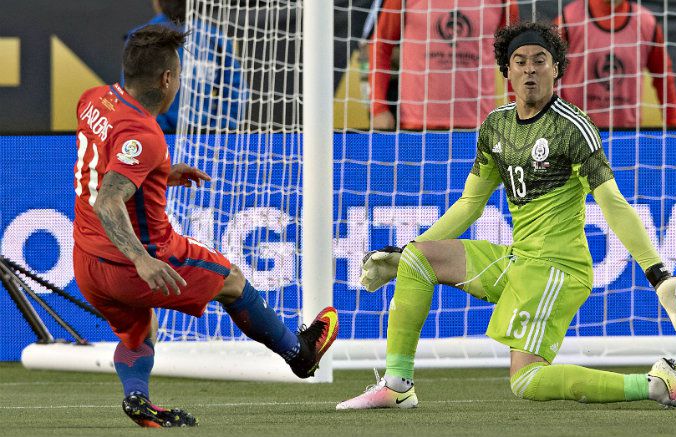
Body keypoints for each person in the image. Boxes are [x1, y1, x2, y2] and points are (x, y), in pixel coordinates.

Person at [337, 21, 676, 410]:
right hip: (518, 260)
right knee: (418, 258)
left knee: (527, 380)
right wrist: (403, 250)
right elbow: (469, 204)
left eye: (540, 60)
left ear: (556, 69)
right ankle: (397, 386)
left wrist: (658, 275)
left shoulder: (572, 127)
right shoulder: (495, 126)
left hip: (558, 269)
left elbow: (613, 204)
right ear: (507, 70)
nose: (529, 68)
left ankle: (655, 385)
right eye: (520, 61)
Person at [73, 25, 338, 428]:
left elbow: (107, 165)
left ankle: (137, 398)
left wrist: (159, 173)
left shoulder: (93, 99)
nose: (178, 82)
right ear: (166, 79)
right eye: (178, 75)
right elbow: (108, 198)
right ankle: (300, 355)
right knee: (231, 279)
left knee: (137, 332)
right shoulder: (145, 134)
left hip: (88, 264)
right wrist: (141, 260)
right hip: (137, 262)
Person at [368, 0, 519, 130]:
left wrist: (519, 110)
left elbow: (513, 56)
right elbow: (381, 45)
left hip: (480, 125)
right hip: (415, 124)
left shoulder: (504, 1)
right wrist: (378, 108)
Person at [554, 0, 676, 128]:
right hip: (576, 132)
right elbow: (548, 78)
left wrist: (673, 127)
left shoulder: (646, 23)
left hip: (626, 136)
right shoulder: (568, 19)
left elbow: (664, 79)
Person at [125, 0, 246, 132]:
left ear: (157, 3)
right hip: (186, 135)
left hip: (173, 133)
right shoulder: (216, 38)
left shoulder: (140, 37)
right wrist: (218, 127)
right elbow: (236, 92)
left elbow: (132, 93)